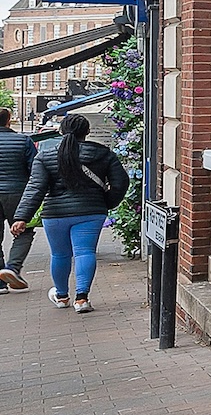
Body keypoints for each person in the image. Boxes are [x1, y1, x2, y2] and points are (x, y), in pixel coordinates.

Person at [9, 114, 129, 313]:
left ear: (60, 131)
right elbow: (121, 182)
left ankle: (62, 296)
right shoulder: (103, 153)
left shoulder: (45, 156)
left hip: (55, 214)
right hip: (91, 211)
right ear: (87, 131)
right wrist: (107, 202)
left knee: (59, 254)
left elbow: (35, 188)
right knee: (85, 252)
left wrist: (22, 217)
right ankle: (82, 299)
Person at [0, 106, 33, 290]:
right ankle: (12, 267)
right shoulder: (23, 141)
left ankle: (0, 282)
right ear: (8, 120)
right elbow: (35, 170)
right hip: (17, 193)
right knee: (24, 231)